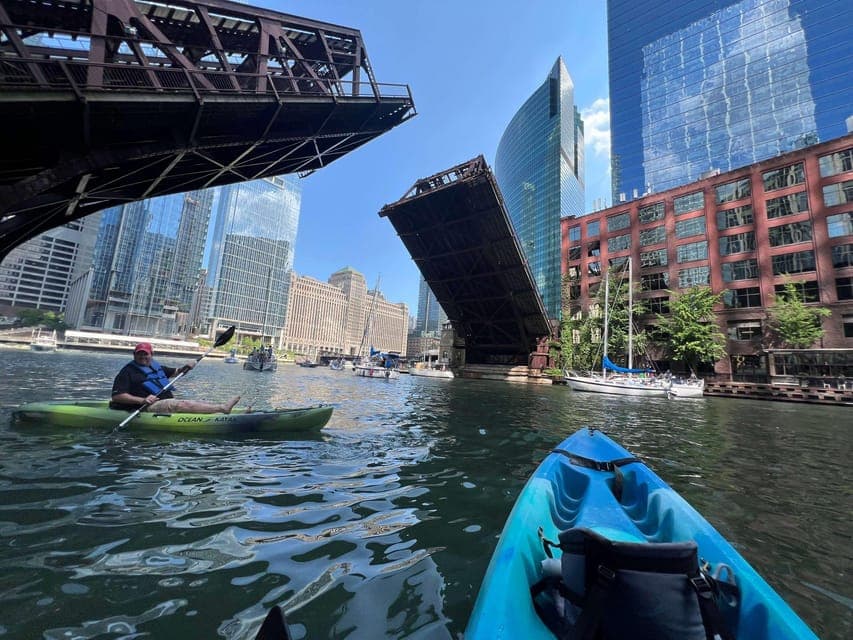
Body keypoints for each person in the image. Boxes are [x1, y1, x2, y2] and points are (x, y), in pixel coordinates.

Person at [110, 342, 239, 414]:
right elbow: (117, 396)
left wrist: (187, 367)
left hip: (164, 402)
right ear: (134, 355)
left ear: (151, 355)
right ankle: (223, 408)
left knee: (199, 401)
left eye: (145, 354)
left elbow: (176, 372)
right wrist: (143, 400)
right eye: (139, 354)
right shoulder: (127, 372)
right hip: (146, 407)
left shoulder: (155, 367)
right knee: (181, 404)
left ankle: (223, 411)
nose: (142, 357)